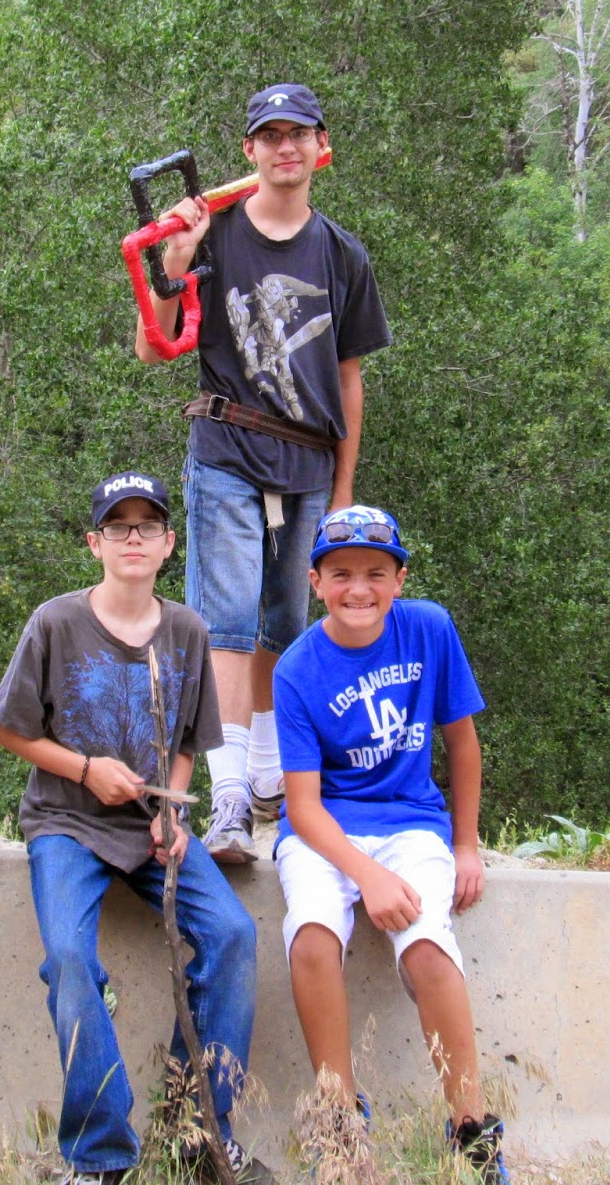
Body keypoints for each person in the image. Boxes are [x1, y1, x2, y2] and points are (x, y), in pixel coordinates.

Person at [0, 471, 270, 1185]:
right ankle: (100, 1153)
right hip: (65, 821)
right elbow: (6, 726)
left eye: (148, 526)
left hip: (151, 828)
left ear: (170, 543)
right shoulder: (55, 622)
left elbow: (187, 742)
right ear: (95, 544)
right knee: (69, 957)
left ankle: (197, 1131)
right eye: (118, 527)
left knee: (233, 935)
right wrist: (86, 771)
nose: (133, 538)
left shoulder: (187, 630)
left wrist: (174, 812)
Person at [136, 83, 392, 863]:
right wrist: (174, 263)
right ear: (248, 149)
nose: (286, 147)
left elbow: (349, 378)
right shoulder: (212, 237)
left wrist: (344, 488)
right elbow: (154, 346)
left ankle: (269, 782)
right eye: (270, 135)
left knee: (286, 621)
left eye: (298, 133)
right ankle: (227, 800)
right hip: (228, 447)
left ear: (320, 146)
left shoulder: (342, 254)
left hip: (309, 458)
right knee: (225, 621)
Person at [271, 506, 508, 1182]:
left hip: (412, 823)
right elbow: (303, 808)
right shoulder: (296, 668)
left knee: (428, 945)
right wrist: (366, 876)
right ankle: (339, 1120)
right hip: (325, 831)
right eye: (341, 573)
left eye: (376, 573)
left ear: (399, 580)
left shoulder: (428, 629)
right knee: (312, 937)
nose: (359, 589)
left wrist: (466, 844)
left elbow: (462, 743)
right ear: (316, 582)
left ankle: (471, 1127)